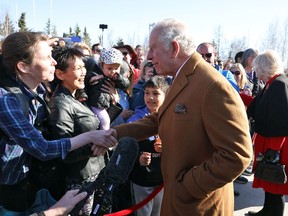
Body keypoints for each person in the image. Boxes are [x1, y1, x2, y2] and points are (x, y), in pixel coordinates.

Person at [111, 18, 252, 215]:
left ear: (174, 48)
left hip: (198, 206)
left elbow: (237, 156)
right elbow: (159, 119)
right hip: (181, 201)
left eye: (153, 48)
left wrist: (187, 187)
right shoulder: (182, 77)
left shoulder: (212, 86)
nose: (149, 56)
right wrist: (113, 134)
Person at [0, 32, 116, 215]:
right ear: (23, 66)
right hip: (8, 190)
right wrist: (91, 137)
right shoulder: (6, 100)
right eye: (47, 57)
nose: (54, 62)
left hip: (31, 183)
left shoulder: (37, 89)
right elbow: (42, 148)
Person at [47, 47, 107, 215]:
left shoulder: (77, 96)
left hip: (94, 172)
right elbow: (64, 150)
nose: (84, 72)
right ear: (60, 74)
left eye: (84, 67)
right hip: (80, 180)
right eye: (78, 68)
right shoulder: (60, 104)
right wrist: (97, 146)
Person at [241, 50, 288, 216]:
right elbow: (257, 106)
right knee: (269, 180)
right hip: (269, 141)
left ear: (265, 67)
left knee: (275, 181)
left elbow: (282, 121)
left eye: (258, 68)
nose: (256, 72)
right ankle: (267, 210)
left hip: (275, 144)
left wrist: (273, 151)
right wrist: (239, 96)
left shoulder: (279, 84)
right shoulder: (271, 84)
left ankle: (273, 213)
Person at [128, 75, 169, 216]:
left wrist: (167, 149)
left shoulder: (171, 119)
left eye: (156, 93)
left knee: (158, 212)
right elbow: (129, 148)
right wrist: (139, 158)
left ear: (166, 95)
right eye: (147, 93)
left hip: (162, 179)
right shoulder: (136, 120)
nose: (150, 97)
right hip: (142, 179)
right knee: (143, 212)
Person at [85, 48, 130, 130]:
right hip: (96, 105)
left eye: (116, 68)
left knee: (106, 121)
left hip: (108, 105)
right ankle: (104, 137)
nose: (113, 71)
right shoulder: (95, 74)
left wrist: (118, 78)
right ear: (102, 65)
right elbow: (89, 83)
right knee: (105, 120)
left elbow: (126, 84)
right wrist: (96, 79)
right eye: (109, 68)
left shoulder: (115, 77)